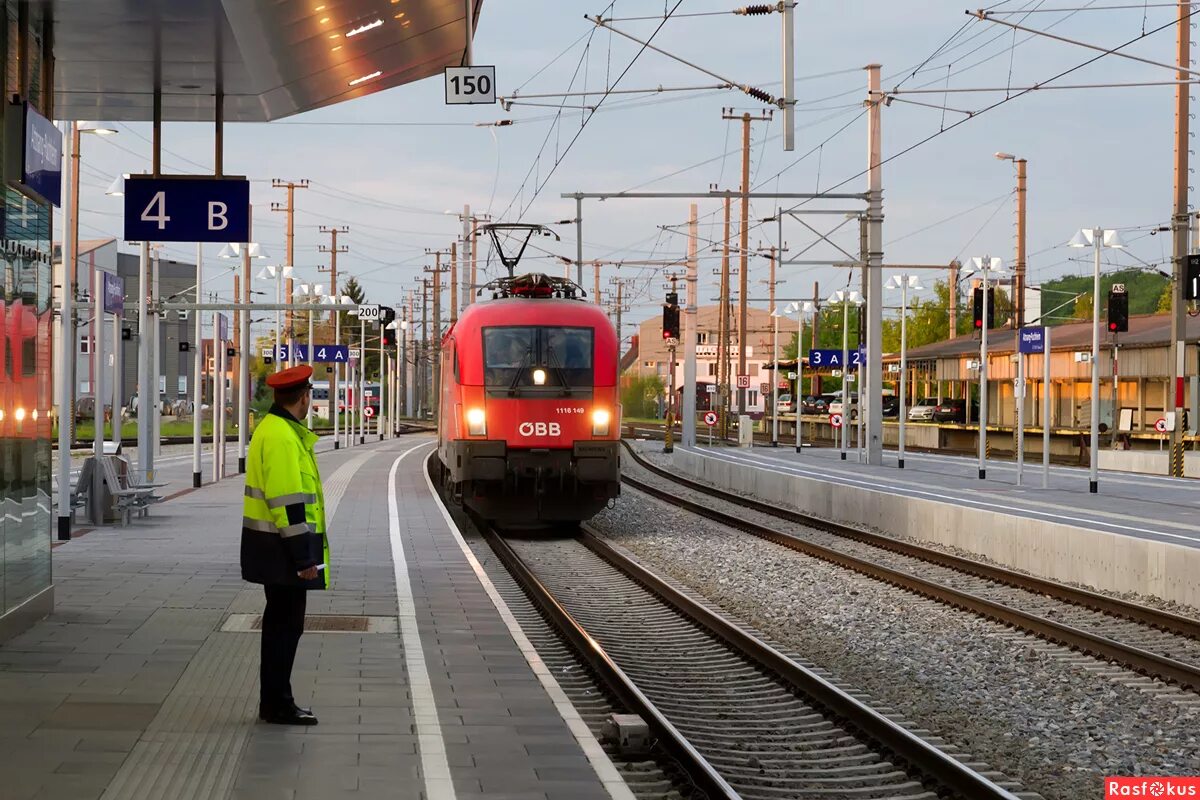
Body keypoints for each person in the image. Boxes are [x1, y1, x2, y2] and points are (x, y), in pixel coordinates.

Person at [241, 364, 328, 726]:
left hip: (273, 548)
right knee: (284, 628)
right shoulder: (281, 437)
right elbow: (288, 504)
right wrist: (303, 557)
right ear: (304, 397)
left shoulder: (277, 430)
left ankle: (276, 701)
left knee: (281, 626)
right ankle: (277, 704)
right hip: (281, 551)